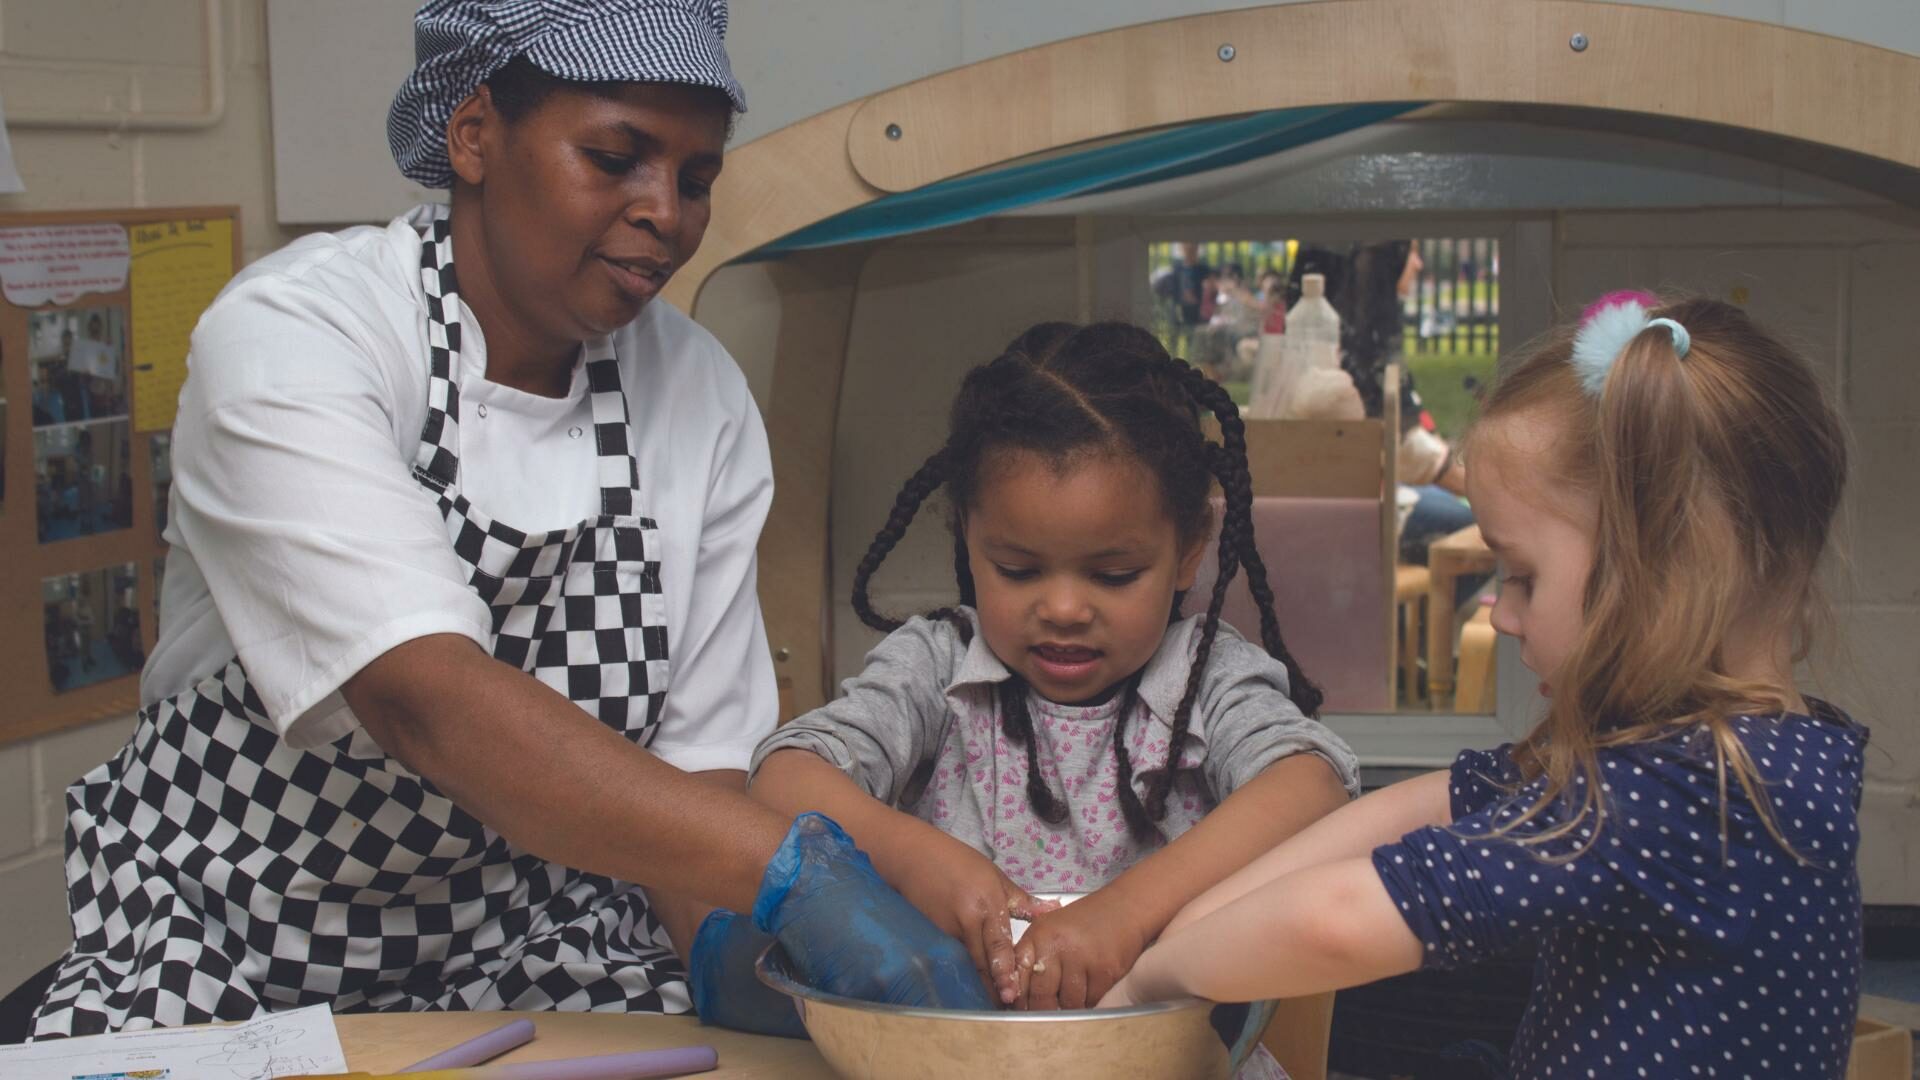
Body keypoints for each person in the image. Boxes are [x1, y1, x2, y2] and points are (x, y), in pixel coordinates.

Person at [17, 0, 980, 1042]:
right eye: (617, 157)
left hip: (535, 944)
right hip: (224, 941)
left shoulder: (695, 394)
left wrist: (761, 974)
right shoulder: (301, 334)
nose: (669, 210)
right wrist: (798, 870)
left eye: (697, 177)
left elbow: (693, 785)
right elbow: (428, 703)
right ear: (474, 134)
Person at [1101, 294, 1865, 1078]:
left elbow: (1339, 922)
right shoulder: (1723, 756)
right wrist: (1182, 930)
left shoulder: (1706, 791)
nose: (1502, 613)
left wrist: (1157, 980)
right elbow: (1419, 804)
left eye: (1524, 576)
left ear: (1667, 574)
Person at [749, 323, 1358, 1019]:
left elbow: (1313, 788)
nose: (1064, 608)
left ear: (1189, 550)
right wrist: (911, 857)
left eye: (1114, 574)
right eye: (1018, 570)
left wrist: (1127, 911)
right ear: (966, 540)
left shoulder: (1207, 677)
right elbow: (781, 777)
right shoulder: (936, 667)